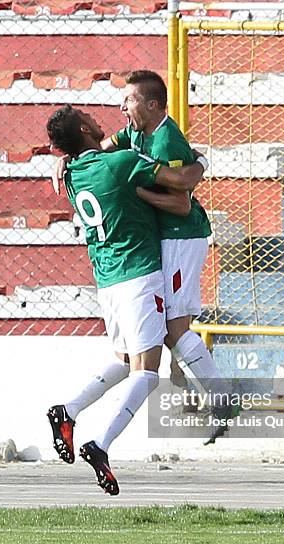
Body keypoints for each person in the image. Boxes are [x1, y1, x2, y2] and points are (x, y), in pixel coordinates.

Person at [53, 70, 236, 440]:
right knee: (161, 335)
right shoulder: (134, 131)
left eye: (130, 100)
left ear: (152, 105)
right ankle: (206, 388)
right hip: (158, 240)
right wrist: (66, 158)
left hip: (181, 237)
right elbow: (99, 152)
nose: (123, 106)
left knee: (174, 328)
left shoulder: (166, 141)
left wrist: (137, 193)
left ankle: (223, 398)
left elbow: (182, 202)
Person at [46, 105, 208, 495]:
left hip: (106, 279)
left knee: (122, 360)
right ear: (85, 128)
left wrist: (63, 158)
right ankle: (101, 446)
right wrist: (201, 160)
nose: (103, 122)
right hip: (138, 273)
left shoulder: (70, 174)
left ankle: (68, 411)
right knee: (146, 372)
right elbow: (181, 179)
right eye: (91, 119)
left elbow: (88, 152)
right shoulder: (119, 163)